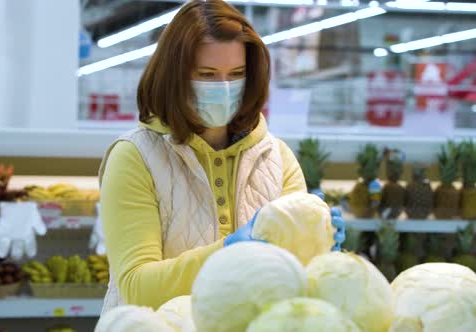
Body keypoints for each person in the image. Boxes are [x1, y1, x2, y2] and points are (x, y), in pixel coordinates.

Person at [99, 0, 344, 313]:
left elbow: (291, 280)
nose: (225, 88)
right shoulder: (135, 157)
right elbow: (137, 288)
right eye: (207, 74)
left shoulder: (277, 158)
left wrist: (320, 248)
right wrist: (230, 250)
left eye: (237, 73)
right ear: (174, 76)